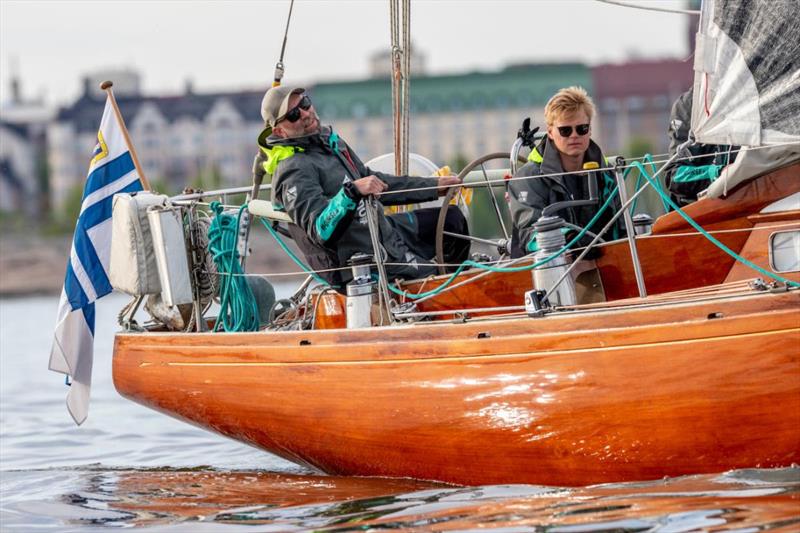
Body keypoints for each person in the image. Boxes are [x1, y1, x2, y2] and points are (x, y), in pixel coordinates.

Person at [255, 85, 468, 289]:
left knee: (453, 221)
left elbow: (372, 181)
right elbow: (320, 229)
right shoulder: (293, 170)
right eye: (293, 114)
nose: (305, 113)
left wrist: (433, 186)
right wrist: (352, 192)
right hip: (358, 259)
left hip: (383, 232)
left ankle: (445, 291)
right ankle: (441, 299)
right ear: (280, 132)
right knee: (439, 281)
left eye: (305, 103)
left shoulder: (330, 142)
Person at [507, 86, 622, 258]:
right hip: (546, 272)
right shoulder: (528, 178)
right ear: (551, 132)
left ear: (590, 130)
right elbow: (529, 234)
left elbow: (621, 229)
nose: (574, 135)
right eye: (565, 130)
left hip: (603, 265)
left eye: (581, 128)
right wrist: (569, 238)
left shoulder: (606, 174)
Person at [663, 87, 737, 207]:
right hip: (706, 210)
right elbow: (675, 177)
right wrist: (718, 172)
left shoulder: (756, 92)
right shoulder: (689, 104)